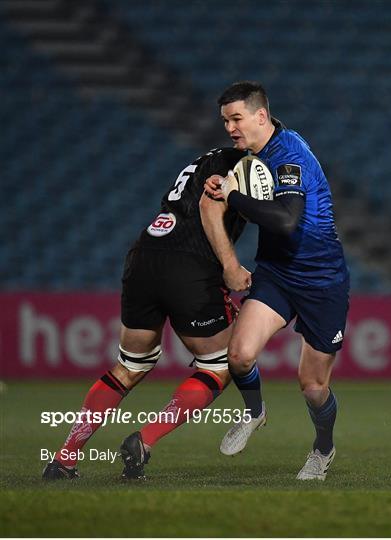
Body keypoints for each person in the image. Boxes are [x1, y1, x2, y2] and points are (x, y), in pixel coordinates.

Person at [42, 147, 251, 481]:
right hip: (190, 265)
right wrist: (231, 266)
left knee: (130, 366)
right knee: (219, 365)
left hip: (145, 252)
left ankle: (64, 458)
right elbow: (211, 208)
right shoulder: (248, 162)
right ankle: (146, 439)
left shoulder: (205, 159)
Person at [203, 81, 350, 481]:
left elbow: (286, 222)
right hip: (277, 273)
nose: (230, 128)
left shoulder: (289, 156)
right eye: (226, 120)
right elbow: (251, 194)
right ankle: (255, 412)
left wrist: (232, 197)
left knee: (313, 386)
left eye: (237, 118)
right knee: (239, 356)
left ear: (261, 116)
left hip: (322, 280)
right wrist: (224, 187)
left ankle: (323, 448)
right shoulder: (256, 153)